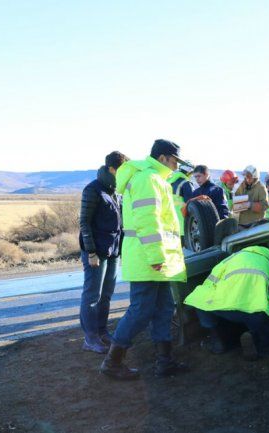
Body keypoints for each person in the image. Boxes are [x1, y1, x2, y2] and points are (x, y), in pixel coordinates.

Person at [100, 139, 189, 381]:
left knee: (163, 309)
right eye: (174, 160)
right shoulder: (148, 179)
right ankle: (112, 362)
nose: (176, 166)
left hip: (156, 259)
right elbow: (147, 222)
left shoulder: (156, 179)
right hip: (149, 258)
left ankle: (165, 361)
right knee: (141, 310)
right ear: (162, 158)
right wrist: (156, 256)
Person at [184, 246, 269, 360]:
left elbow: (208, 284)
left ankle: (218, 341)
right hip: (255, 312)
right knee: (265, 310)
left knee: (199, 298)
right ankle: (263, 342)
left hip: (227, 308)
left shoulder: (230, 259)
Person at [78, 151, 129, 353]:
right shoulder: (93, 190)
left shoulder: (114, 191)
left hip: (113, 250)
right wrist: (90, 252)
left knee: (106, 294)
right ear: (111, 169)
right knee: (92, 296)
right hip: (96, 251)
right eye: (122, 170)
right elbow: (84, 222)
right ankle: (90, 338)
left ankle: (101, 331)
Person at [167, 166, 195, 244]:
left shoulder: (169, 182)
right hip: (183, 224)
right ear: (189, 172)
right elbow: (191, 203)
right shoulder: (186, 183)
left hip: (169, 224)